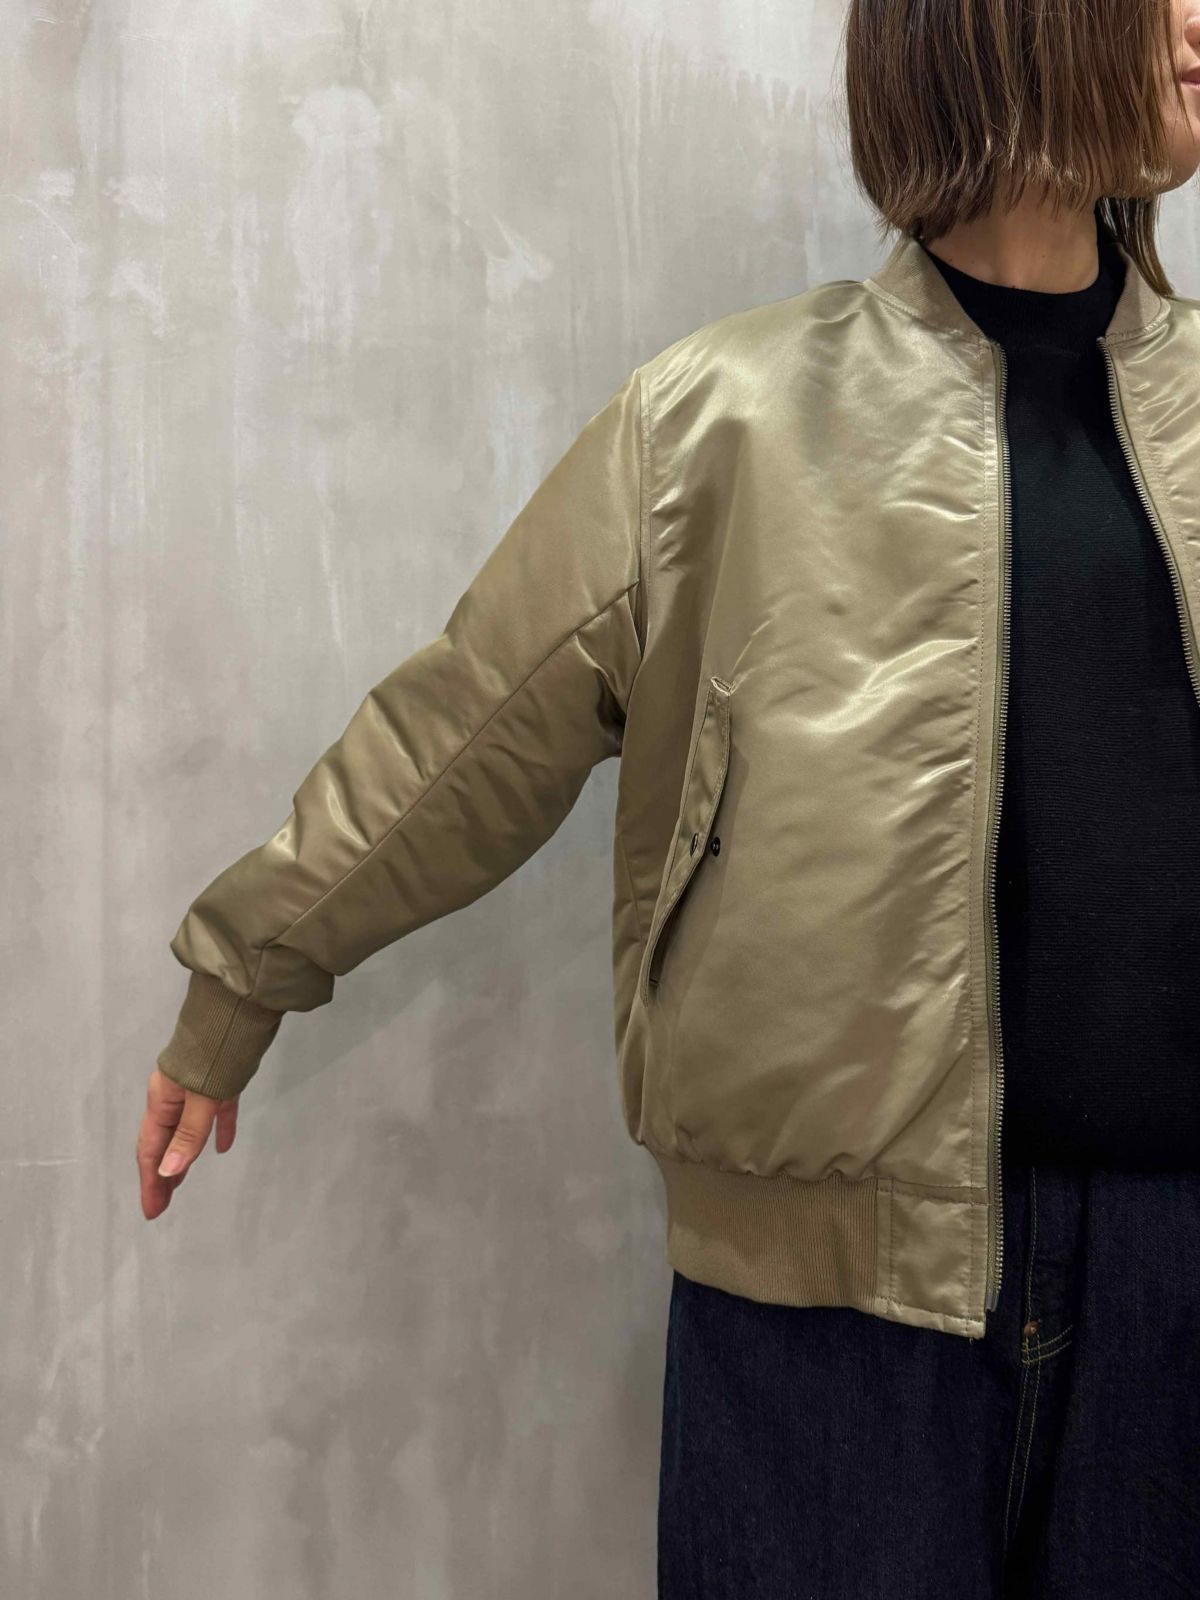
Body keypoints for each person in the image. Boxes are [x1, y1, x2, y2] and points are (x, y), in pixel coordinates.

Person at [140, 0, 1200, 1593]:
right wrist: (243, 971)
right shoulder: (725, 421)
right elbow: (470, 726)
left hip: (1175, 1290)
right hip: (831, 1308)